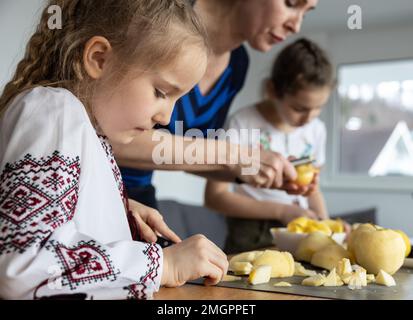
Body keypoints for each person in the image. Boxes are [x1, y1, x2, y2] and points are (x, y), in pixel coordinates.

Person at [0, 0, 228, 300]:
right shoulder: (54, 110)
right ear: (99, 59)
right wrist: (162, 265)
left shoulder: (88, 131)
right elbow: (22, 265)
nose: (166, 118)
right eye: (160, 92)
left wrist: (117, 207)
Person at [114, 0, 319, 210]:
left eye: (306, 13)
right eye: (291, 3)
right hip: (90, 183)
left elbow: (194, 153)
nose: (296, 26)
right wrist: (234, 156)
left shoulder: (237, 65)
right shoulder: (159, 14)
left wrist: (260, 167)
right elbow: (110, 137)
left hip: (138, 195)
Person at [205, 38, 335, 254]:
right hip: (251, 233)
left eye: (318, 108)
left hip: (300, 229)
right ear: (272, 90)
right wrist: (281, 211)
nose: (308, 119)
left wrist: (327, 226)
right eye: (299, 108)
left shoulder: (316, 129)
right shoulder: (242, 123)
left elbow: (312, 190)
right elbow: (215, 197)